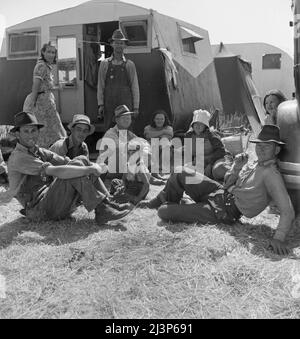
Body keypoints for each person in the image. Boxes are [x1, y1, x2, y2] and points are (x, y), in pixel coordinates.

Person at [140, 125, 295, 256]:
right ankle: (163, 200)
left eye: (267, 146)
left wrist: (279, 238)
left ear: (276, 150)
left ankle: (177, 205)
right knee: (180, 171)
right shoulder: (256, 163)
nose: (261, 149)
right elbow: (227, 183)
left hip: (224, 211)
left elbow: (287, 211)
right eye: (259, 145)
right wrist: (236, 167)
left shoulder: (271, 174)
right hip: (219, 192)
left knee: (164, 212)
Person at [7, 112, 132, 224]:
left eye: (33, 131)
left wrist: (90, 165)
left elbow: (67, 162)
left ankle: (106, 203)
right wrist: (90, 169)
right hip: (39, 210)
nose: (31, 135)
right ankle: (103, 209)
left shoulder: (38, 151)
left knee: (80, 160)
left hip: (53, 201)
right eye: (26, 131)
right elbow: (55, 171)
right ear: (17, 134)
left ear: (38, 132)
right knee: (74, 170)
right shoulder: (19, 157)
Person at [98, 105, 165, 185]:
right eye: (124, 118)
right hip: (109, 169)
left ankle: (153, 172)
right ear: (117, 120)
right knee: (131, 152)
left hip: (123, 167)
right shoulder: (111, 133)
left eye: (128, 118)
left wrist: (144, 149)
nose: (127, 120)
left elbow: (145, 143)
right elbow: (122, 147)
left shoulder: (128, 133)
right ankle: (149, 177)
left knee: (147, 149)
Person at [23, 43, 67, 148]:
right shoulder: (41, 66)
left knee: (52, 128)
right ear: (43, 52)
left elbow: (45, 86)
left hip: (46, 101)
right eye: (48, 52)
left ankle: (52, 151)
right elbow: (36, 84)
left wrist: (57, 87)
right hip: (40, 102)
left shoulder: (47, 66)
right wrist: (32, 102)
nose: (51, 55)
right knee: (44, 128)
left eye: (53, 52)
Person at [97, 29, 140, 131]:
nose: (119, 45)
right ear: (112, 44)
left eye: (121, 43)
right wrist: (100, 104)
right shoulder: (104, 63)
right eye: (116, 43)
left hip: (126, 103)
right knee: (110, 130)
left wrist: (136, 107)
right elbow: (101, 84)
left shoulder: (129, 64)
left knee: (126, 130)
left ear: (125, 45)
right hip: (109, 103)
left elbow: (135, 86)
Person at [184, 109, 232, 181]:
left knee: (218, 171)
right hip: (200, 161)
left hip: (217, 159)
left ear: (205, 126)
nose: (198, 126)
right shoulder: (189, 135)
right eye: (196, 124)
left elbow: (221, 152)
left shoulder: (211, 135)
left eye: (201, 124)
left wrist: (210, 163)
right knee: (186, 171)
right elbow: (188, 153)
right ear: (192, 125)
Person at [110, 139, 150, 205]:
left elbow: (146, 184)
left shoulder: (139, 167)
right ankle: (118, 194)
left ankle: (128, 197)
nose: (130, 155)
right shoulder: (128, 164)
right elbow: (123, 179)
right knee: (114, 181)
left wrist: (138, 198)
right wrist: (123, 186)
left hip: (138, 187)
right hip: (129, 184)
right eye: (128, 153)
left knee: (121, 196)